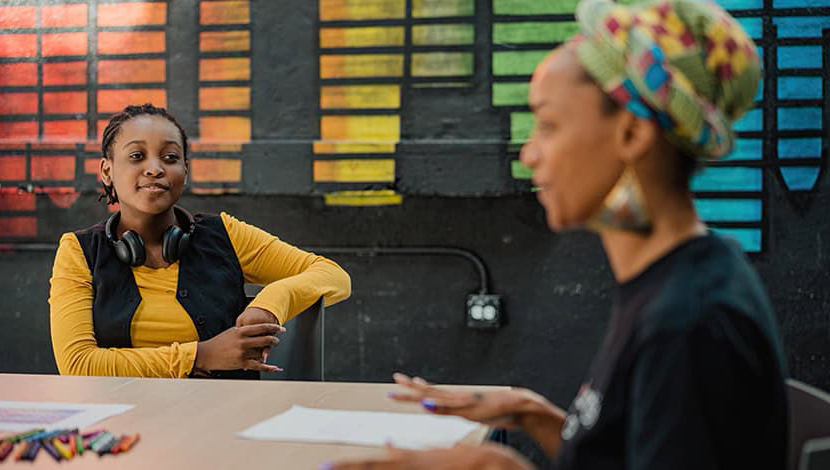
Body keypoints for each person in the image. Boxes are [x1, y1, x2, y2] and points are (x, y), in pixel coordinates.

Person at [328, 0, 788, 468]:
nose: (529, 154)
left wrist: (498, 466)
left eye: (547, 125)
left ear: (631, 134)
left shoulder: (689, 325)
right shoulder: (677, 279)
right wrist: (534, 415)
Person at [49, 103, 351, 379]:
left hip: (225, 417)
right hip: (122, 421)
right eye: (137, 156)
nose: (155, 168)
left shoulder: (225, 235)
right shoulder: (80, 252)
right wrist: (201, 356)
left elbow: (333, 276)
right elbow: (77, 365)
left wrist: (272, 304)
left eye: (170, 157)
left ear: (185, 170)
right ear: (107, 170)